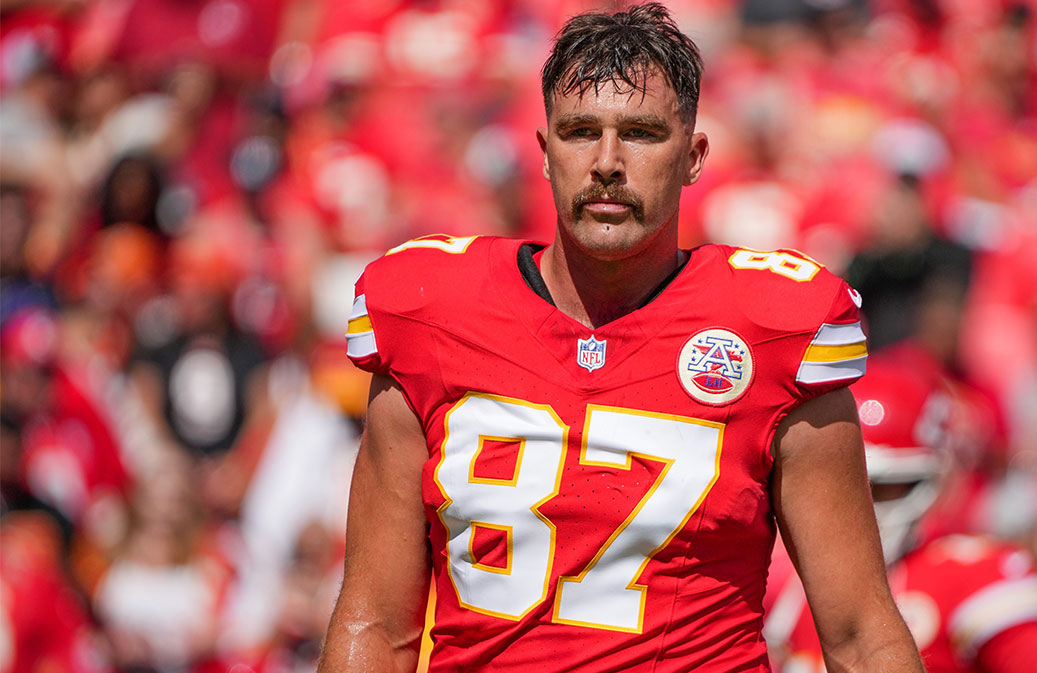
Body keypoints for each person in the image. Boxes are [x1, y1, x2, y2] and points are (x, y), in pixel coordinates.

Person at [319, 4, 923, 672]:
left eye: (639, 133)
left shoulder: (774, 329)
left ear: (693, 156)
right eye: (581, 132)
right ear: (546, 154)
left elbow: (860, 633)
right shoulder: (430, 310)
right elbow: (376, 621)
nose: (607, 162)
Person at [763, 357, 1037, 673]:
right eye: (843, 484)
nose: (861, 503)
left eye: (883, 486)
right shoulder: (785, 586)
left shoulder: (971, 575)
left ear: (932, 478)